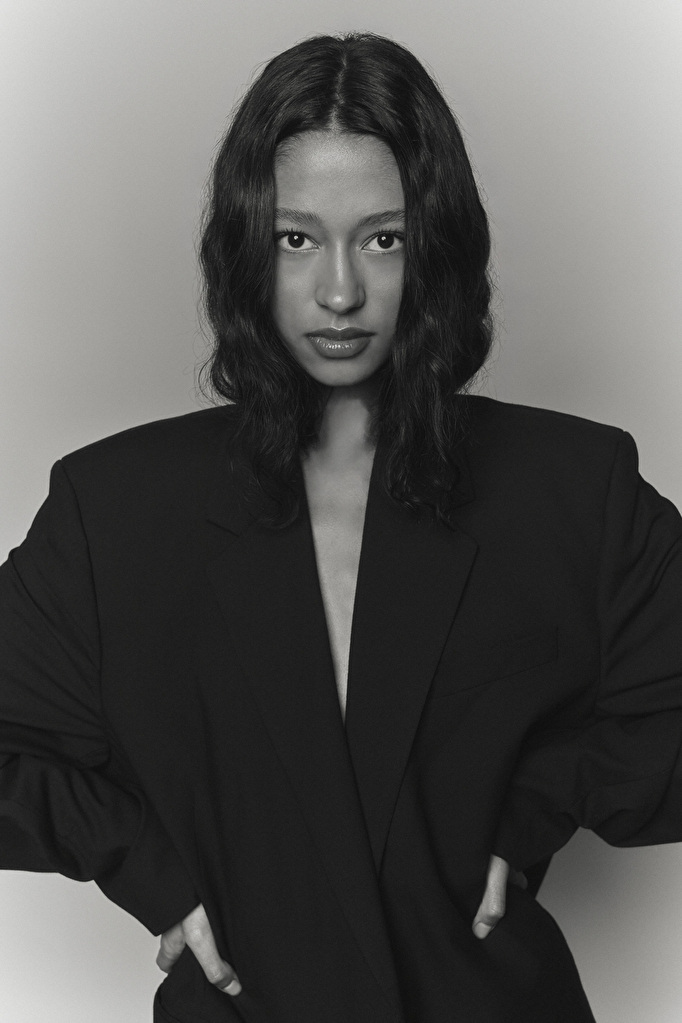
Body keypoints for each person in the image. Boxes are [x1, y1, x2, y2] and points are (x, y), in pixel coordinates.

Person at [1, 31, 681, 1023]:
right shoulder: (113, 511)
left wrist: (540, 799)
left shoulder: (574, 488)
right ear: (246, 246)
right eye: (296, 238)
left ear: (436, 245)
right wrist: (147, 865)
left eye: (383, 239)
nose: (339, 292)